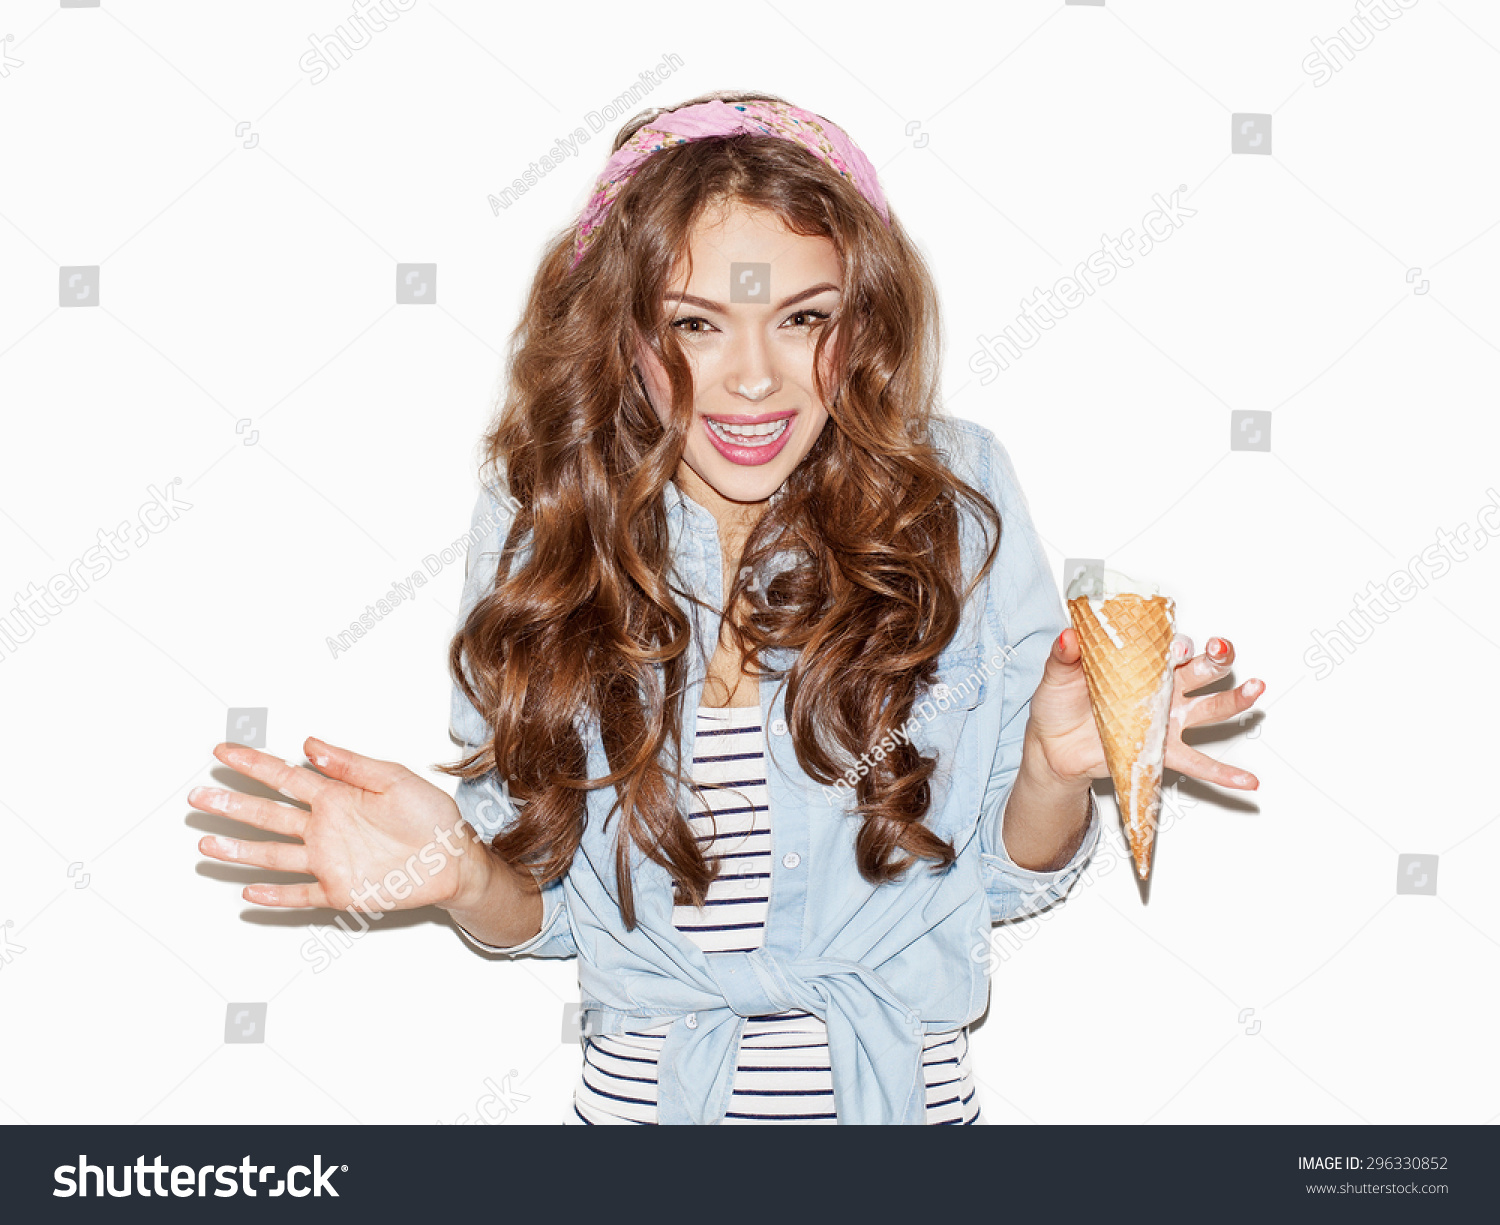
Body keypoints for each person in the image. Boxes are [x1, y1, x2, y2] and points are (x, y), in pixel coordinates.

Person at [192, 91, 1265, 1125]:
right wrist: (462, 871)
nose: (754, 379)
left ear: (866, 322)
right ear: (622, 338)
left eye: (805, 317)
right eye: (696, 324)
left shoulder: (949, 504)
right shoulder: (552, 525)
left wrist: (1049, 770)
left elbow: (998, 882)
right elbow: (549, 910)